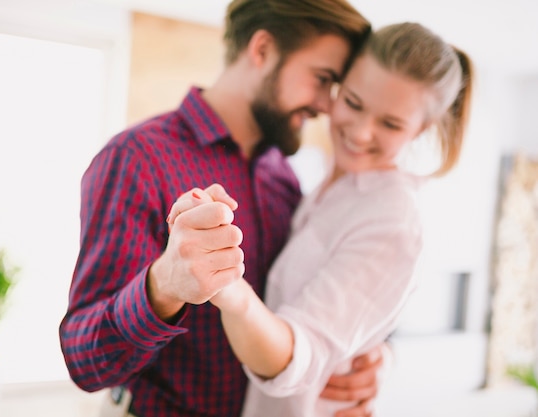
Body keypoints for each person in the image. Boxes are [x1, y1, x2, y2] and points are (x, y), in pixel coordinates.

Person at [59, 1, 386, 416]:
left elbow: (313, 301)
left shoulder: (283, 176)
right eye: (322, 79)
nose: (326, 105)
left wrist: (370, 361)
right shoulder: (136, 158)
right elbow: (83, 362)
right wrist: (163, 287)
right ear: (263, 49)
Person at [169, 21, 474, 417]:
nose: (361, 132)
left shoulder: (393, 217)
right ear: (337, 88)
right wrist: (378, 351)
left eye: (390, 123)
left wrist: (229, 287)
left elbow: (300, 357)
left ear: (422, 129)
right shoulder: (318, 186)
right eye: (354, 102)